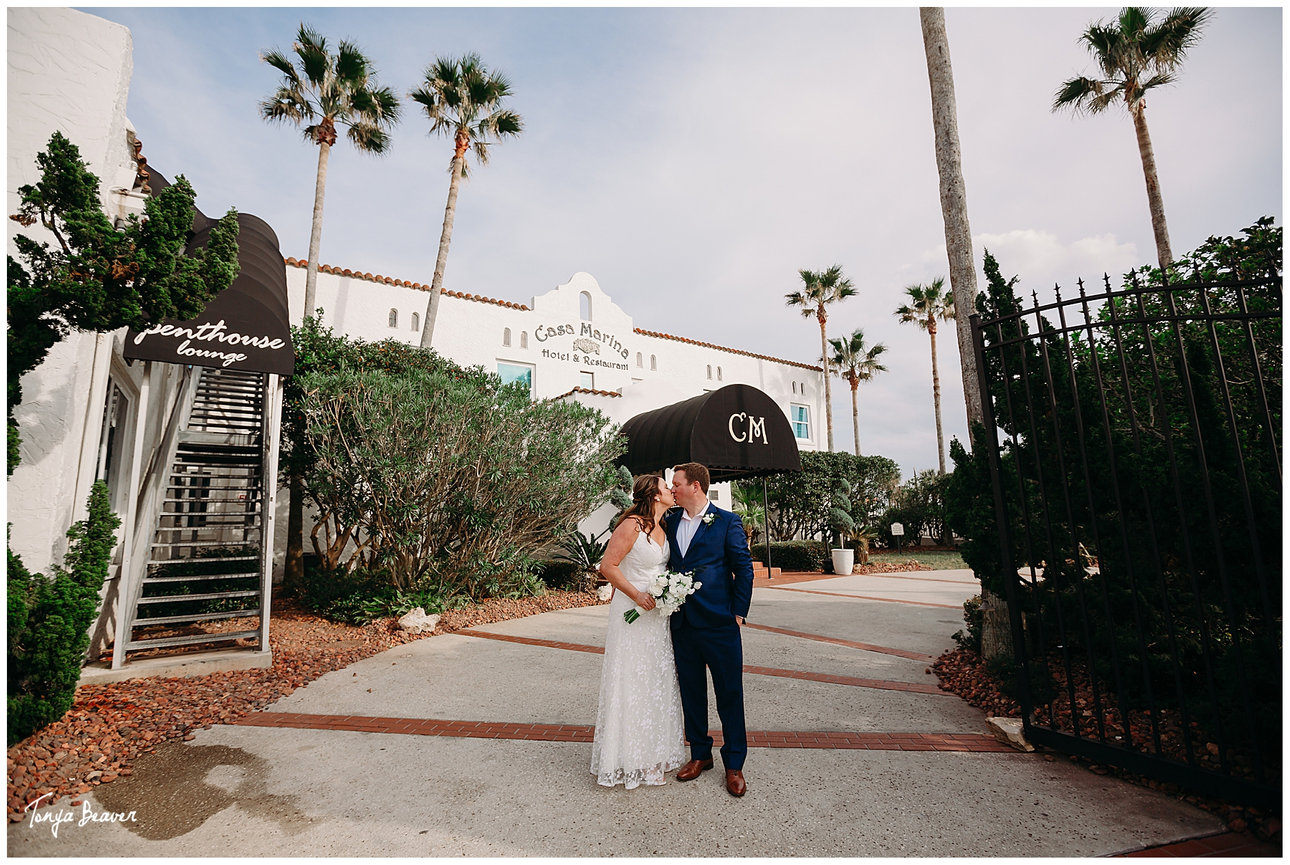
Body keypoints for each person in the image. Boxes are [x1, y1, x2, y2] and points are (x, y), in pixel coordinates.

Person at [590, 474, 686, 789]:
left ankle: (652, 754)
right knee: (632, 680)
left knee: (655, 681)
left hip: (656, 616)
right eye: (666, 487)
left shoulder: (663, 526)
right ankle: (630, 758)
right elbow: (608, 566)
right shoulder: (632, 525)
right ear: (655, 495)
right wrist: (636, 595)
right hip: (632, 612)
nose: (671, 490)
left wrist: (668, 591)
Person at [664, 461, 754, 797]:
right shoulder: (670, 521)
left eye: (676, 484)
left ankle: (734, 763)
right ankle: (700, 754)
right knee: (691, 693)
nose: (672, 489)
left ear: (695, 486)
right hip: (683, 624)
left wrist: (738, 614)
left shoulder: (727, 521)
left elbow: (744, 569)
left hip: (720, 624)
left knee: (729, 694)